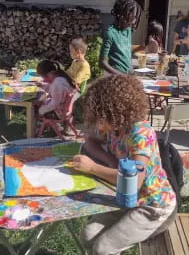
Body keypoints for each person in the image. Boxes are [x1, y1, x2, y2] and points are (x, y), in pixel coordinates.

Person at [73, 75, 177, 254]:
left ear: (114, 112)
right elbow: (90, 141)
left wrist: (92, 168)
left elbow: (134, 181)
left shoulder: (140, 133)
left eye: (100, 118)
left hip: (153, 206)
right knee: (88, 236)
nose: (98, 124)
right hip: (127, 198)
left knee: (102, 248)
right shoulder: (115, 128)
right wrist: (110, 160)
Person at [100, 0, 141, 75]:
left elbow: (126, 55)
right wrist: (121, 76)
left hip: (128, 75)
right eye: (132, 18)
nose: (134, 22)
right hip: (116, 79)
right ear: (122, 15)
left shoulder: (128, 30)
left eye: (135, 18)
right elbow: (102, 63)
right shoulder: (110, 33)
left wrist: (131, 71)